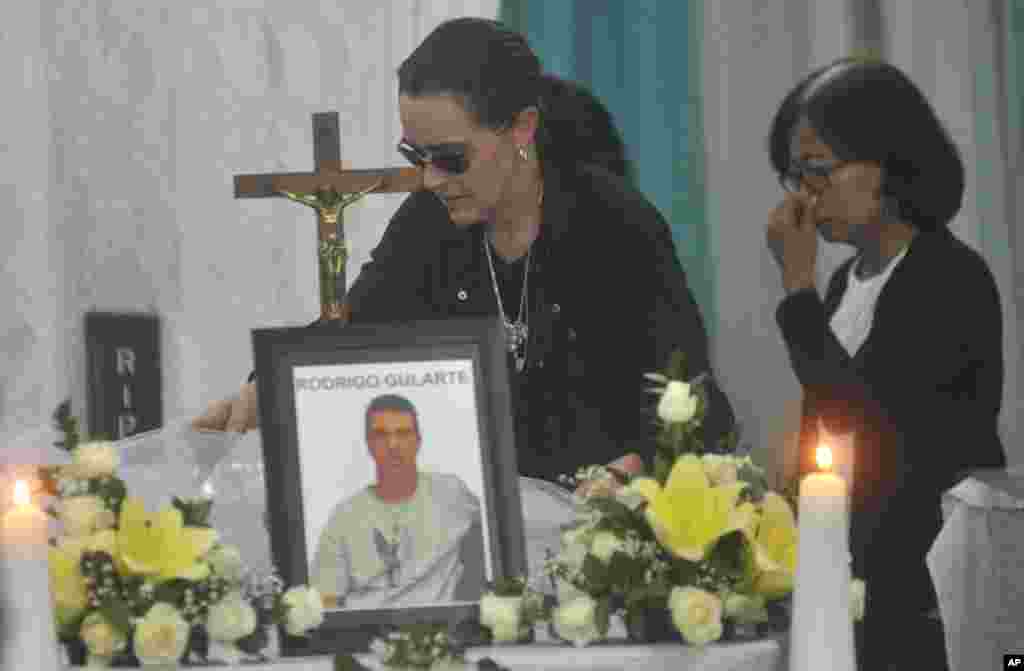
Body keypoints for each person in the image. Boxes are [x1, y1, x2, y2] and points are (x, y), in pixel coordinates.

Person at [195, 17, 735, 483]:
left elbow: (687, 399)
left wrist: (633, 468)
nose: (430, 179)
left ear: (523, 128)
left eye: (451, 157)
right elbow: (354, 328)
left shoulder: (614, 224)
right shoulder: (432, 222)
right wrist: (266, 387)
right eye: (416, 155)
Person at [764, 57, 1007, 670]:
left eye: (817, 172)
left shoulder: (948, 275)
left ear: (889, 165)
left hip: (922, 584)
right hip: (852, 567)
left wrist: (796, 290)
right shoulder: (849, 280)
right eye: (794, 176)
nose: (803, 197)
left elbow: (868, 428)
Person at [312, 394, 485, 610]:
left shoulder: (452, 494)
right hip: (366, 631)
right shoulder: (344, 516)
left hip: (438, 630)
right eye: (381, 435)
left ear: (418, 441)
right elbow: (325, 598)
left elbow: (490, 536)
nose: (393, 445)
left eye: (403, 433)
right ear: (368, 444)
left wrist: (472, 594)